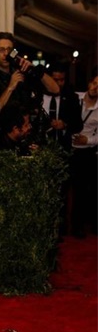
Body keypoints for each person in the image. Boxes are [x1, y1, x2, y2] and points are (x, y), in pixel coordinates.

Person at [70, 73, 98, 236]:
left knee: (84, 190)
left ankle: (80, 225)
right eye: (94, 83)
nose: (95, 88)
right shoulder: (74, 98)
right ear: (89, 83)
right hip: (67, 148)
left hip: (86, 152)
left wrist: (87, 140)